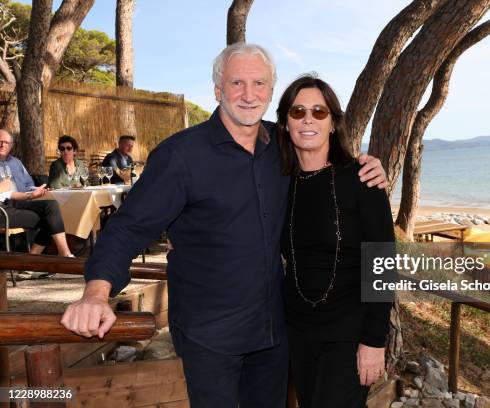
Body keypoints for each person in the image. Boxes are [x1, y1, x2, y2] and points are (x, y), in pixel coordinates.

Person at [61, 43, 388, 408]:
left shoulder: (280, 146)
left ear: (270, 92)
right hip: (210, 337)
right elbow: (127, 228)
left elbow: (324, 158)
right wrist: (95, 293)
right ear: (218, 90)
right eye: (237, 83)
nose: (248, 95)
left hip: (273, 335)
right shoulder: (180, 156)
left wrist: (366, 165)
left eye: (259, 84)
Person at [277, 74, 394, 408]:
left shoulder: (362, 179)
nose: (308, 119)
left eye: (319, 111)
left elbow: (383, 264)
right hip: (298, 331)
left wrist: (374, 341)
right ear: (285, 123)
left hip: (349, 333)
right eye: (298, 112)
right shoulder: (280, 182)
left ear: (333, 122)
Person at [0, 129, 74, 259]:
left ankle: (56, 254)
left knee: (52, 207)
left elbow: (28, 185)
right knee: (50, 220)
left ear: (11, 145)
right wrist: (27, 195)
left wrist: (38, 190)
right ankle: (38, 259)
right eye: (0, 142)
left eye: (6, 142)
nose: (2, 145)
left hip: (21, 203)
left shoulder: (16, 163)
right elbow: (6, 191)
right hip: (3, 209)